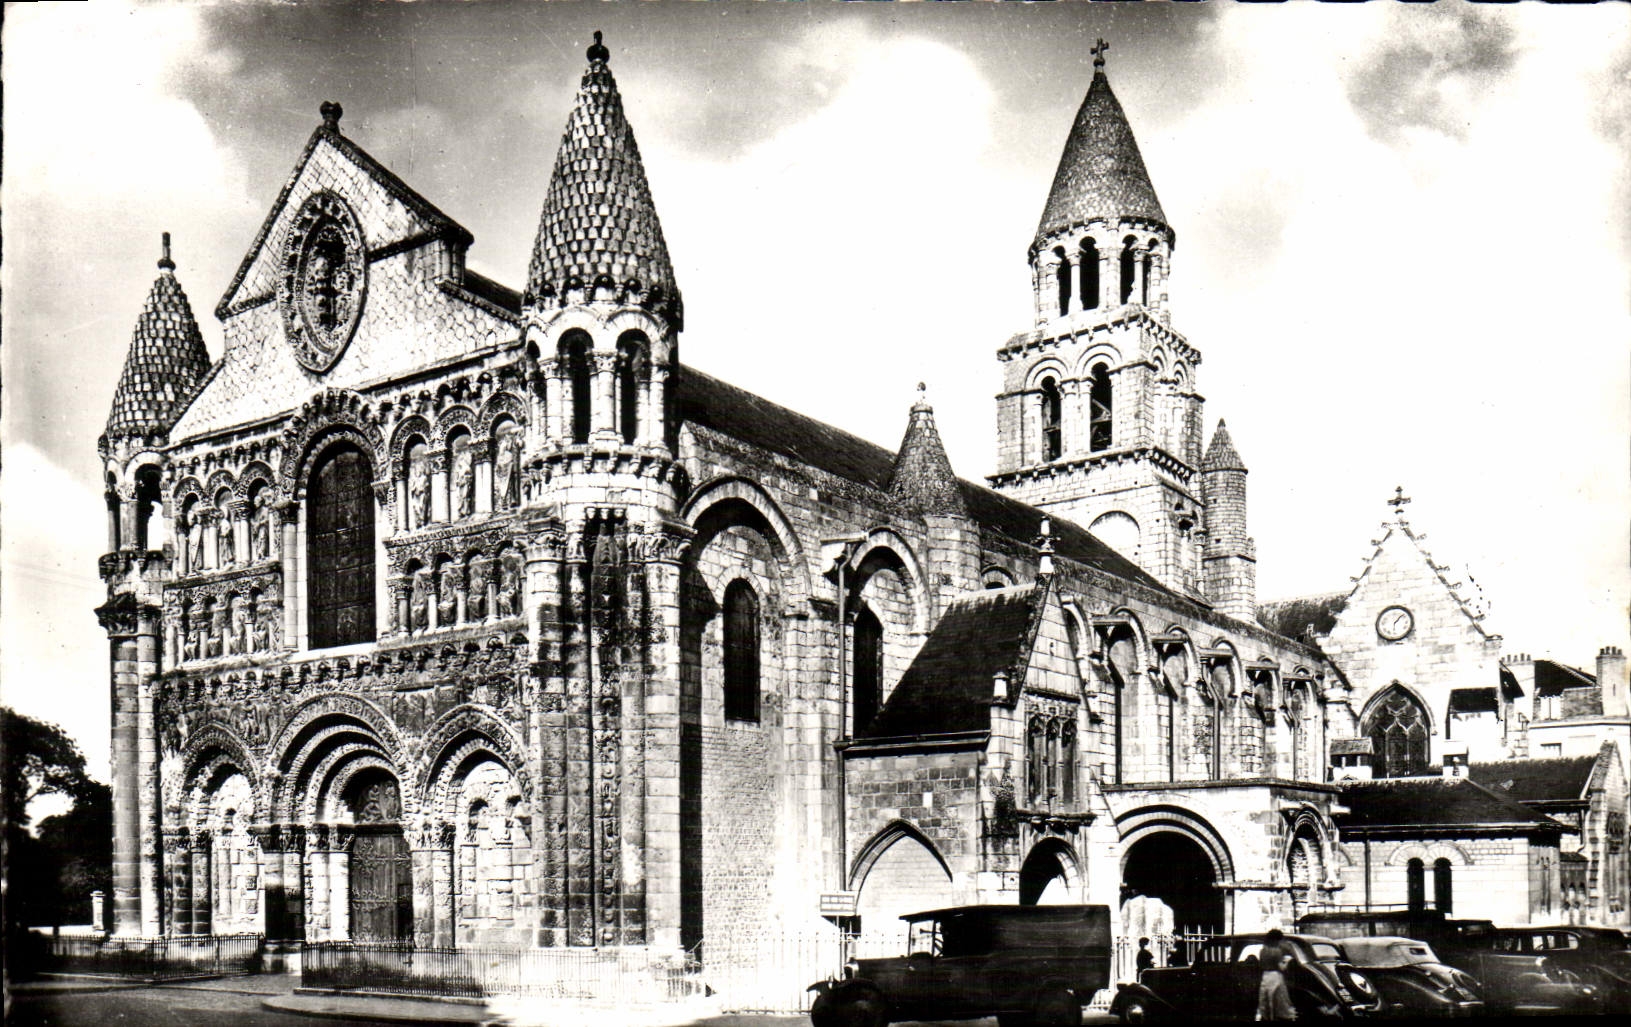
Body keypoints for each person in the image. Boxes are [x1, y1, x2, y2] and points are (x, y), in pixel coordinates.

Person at [1256, 928, 1296, 1021]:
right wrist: (1287, 961)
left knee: (1265, 1001)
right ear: (1277, 940)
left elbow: (1261, 964)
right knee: (1280, 1001)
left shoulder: (1262, 951)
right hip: (1276, 976)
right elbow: (1281, 968)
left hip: (1265, 976)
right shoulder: (1277, 951)